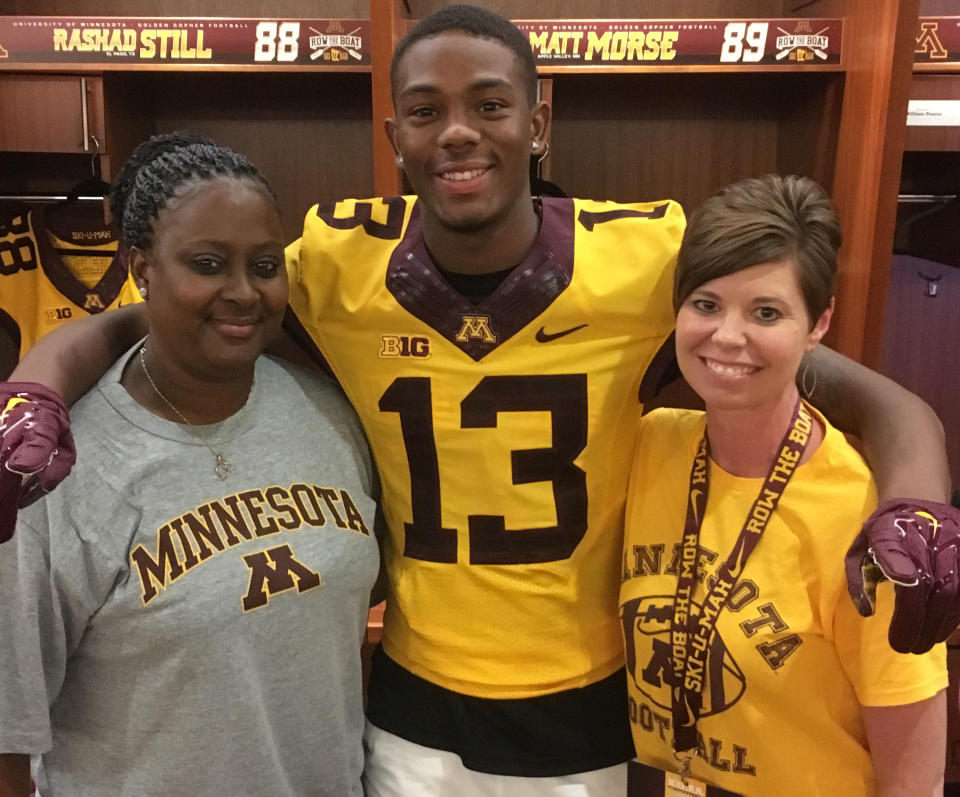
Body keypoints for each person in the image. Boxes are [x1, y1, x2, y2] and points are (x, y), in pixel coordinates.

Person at [0, 5, 957, 795]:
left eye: (491, 104)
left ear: (538, 124)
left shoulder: (644, 259)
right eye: (426, 110)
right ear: (395, 137)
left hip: (590, 705)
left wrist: (916, 490)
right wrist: (36, 388)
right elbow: (165, 312)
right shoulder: (337, 263)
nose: (459, 130)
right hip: (413, 704)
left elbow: (851, 387)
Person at [0, 134, 381, 796]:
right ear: (141, 267)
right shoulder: (60, 473)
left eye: (264, 265)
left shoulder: (330, 412)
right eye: (208, 263)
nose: (243, 292)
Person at [620, 175, 947, 796]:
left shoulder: (867, 520)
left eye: (766, 312)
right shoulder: (651, 446)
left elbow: (915, 783)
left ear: (819, 323)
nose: (727, 337)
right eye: (706, 304)